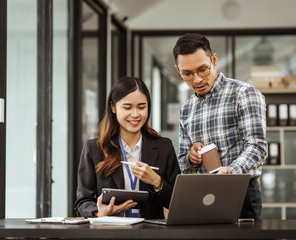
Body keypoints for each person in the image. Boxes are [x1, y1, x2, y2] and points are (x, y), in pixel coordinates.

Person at [173, 33, 267, 220]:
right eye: (188, 74)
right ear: (178, 70)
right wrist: (191, 158)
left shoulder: (244, 94)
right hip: (200, 194)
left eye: (202, 70)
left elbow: (257, 147)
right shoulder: (186, 109)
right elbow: (183, 164)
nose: (197, 79)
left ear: (214, 60)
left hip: (240, 192)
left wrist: (230, 171)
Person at [75, 76, 180, 219]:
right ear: (113, 107)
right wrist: (98, 213)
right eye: (127, 107)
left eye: (141, 107)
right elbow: (82, 202)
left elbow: (178, 202)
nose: (135, 114)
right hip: (111, 233)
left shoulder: (163, 146)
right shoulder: (94, 149)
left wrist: (157, 181)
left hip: (150, 234)